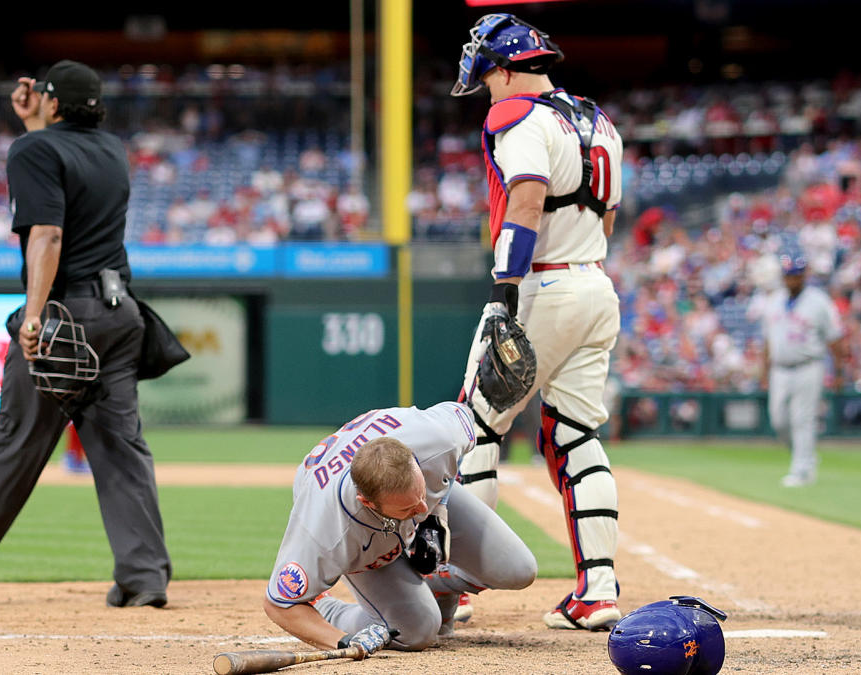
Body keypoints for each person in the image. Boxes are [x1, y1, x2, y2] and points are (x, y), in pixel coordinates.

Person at [0, 60, 172, 608]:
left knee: (15, 439)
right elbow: (62, 160)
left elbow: (46, 234)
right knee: (122, 449)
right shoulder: (111, 149)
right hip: (121, 316)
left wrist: (33, 313)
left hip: (66, 317)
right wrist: (34, 124)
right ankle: (144, 577)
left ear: (51, 101)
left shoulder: (34, 150)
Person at [450, 13, 624, 631]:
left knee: (473, 429)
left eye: (489, 76)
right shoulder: (597, 118)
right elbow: (605, 219)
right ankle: (598, 592)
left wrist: (505, 291)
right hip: (596, 283)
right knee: (575, 433)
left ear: (502, 68)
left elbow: (525, 196)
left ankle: (460, 586)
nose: (487, 90)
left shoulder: (514, 116)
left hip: (542, 283)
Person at [263, 401, 536, 653]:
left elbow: (463, 414)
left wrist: (436, 509)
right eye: (408, 509)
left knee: (519, 569)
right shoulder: (326, 528)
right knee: (417, 631)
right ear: (367, 502)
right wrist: (342, 640)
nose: (419, 508)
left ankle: (438, 584)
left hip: (403, 479)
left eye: (421, 493)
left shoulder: (435, 439)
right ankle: (328, 607)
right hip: (361, 535)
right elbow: (279, 605)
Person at [760, 254, 845, 487]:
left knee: (802, 419)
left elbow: (835, 339)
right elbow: (767, 339)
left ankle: (802, 470)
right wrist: (763, 371)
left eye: (796, 275)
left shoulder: (818, 301)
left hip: (809, 365)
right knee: (778, 420)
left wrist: (838, 373)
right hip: (779, 368)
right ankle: (805, 457)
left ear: (804, 275)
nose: (791, 280)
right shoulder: (774, 300)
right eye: (788, 275)